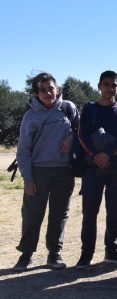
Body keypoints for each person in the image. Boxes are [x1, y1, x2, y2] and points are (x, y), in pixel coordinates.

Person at [13, 72, 78, 271]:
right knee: (32, 214)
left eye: (51, 88)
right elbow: (23, 151)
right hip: (38, 171)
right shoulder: (30, 116)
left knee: (59, 214)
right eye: (43, 90)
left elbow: (81, 131)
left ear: (57, 89)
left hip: (64, 171)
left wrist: (71, 139)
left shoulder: (68, 108)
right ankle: (26, 254)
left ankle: (54, 254)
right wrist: (28, 180)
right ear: (36, 93)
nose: (48, 92)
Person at [75, 70, 117, 268]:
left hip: (116, 169)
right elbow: (82, 135)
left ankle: (111, 250)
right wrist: (95, 155)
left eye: (114, 85)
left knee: (115, 212)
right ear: (99, 85)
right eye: (106, 84)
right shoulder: (89, 108)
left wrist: (109, 155)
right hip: (92, 168)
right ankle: (86, 254)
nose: (110, 88)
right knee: (90, 212)